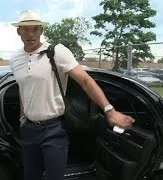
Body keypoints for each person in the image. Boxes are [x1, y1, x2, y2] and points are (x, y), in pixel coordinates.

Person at [9, 9, 135, 180]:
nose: (30, 34)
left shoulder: (57, 52)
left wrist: (110, 111)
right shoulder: (15, 59)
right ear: (18, 31)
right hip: (29, 130)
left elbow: (85, 81)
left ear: (41, 30)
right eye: (25, 29)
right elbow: (24, 89)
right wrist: (22, 119)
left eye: (35, 29)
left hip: (53, 130)